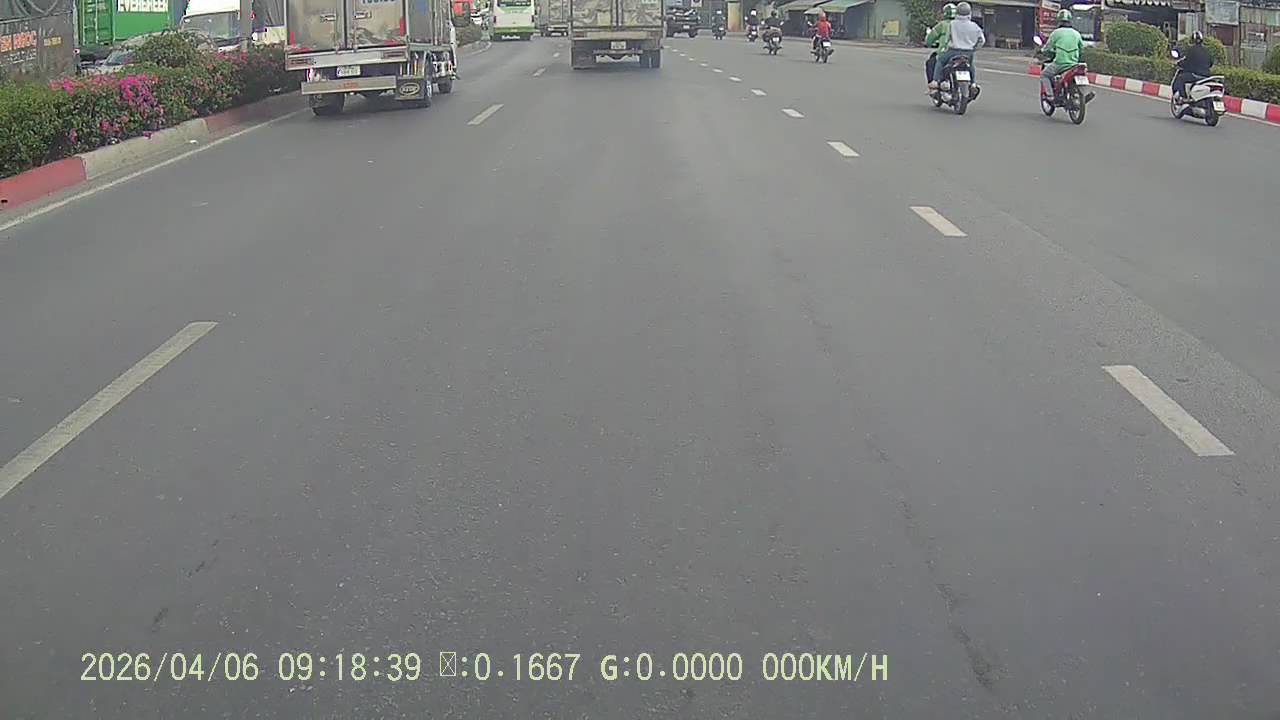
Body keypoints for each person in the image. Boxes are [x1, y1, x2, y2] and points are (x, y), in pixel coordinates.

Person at [934, 2, 984, 92]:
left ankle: (936, 81)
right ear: (970, 13)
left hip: (953, 51)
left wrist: (944, 48)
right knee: (971, 65)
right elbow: (982, 40)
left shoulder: (952, 24)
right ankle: (973, 83)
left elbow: (947, 39)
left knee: (940, 61)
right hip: (968, 52)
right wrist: (974, 48)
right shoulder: (975, 26)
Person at [1038, 8, 1084, 99]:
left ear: (1059, 21)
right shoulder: (1077, 33)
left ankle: (1050, 95)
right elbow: (1081, 48)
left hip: (1060, 63)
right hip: (1074, 64)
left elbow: (1048, 48)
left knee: (1044, 75)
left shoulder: (1056, 33)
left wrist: (1042, 51)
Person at [1172, 30, 1213, 100]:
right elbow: (1211, 63)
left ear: (1192, 40)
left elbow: (1186, 62)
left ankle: (1183, 97)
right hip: (1206, 76)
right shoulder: (1207, 51)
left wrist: (1179, 64)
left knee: (1180, 78)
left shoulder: (1191, 50)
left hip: (1195, 75)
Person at [925, 3, 956, 91]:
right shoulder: (962, 24)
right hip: (965, 53)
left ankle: (933, 85)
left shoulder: (942, 25)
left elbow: (930, 38)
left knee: (930, 63)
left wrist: (928, 43)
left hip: (946, 52)